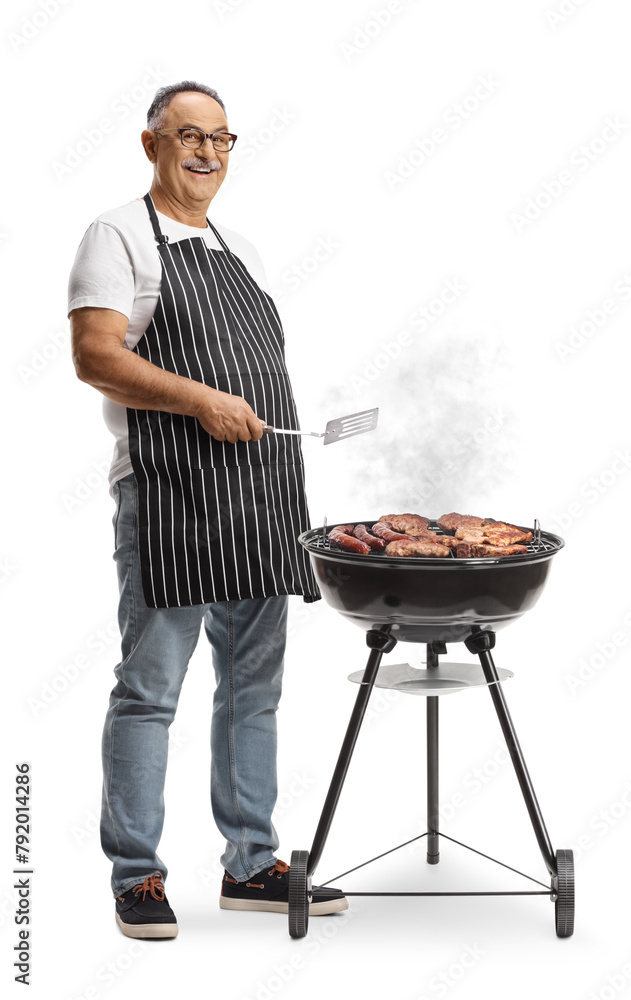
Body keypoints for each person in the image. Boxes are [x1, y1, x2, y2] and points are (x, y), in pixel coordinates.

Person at [68, 80, 346, 939]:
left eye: (221, 139)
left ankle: (252, 863)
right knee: (151, 689)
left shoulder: (242, 248)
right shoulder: (116, 234)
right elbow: (94, 356)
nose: (206, 152)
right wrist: (199, 401)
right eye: (188, 136)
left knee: (253, 688)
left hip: (260, 496)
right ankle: (137, 877)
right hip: (170, 494)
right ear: (150, 144)